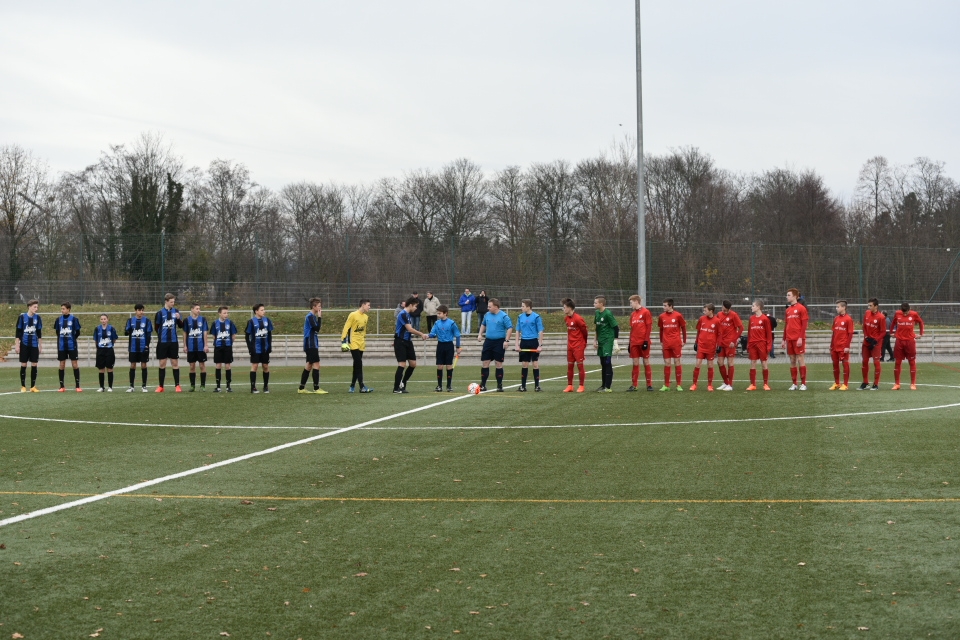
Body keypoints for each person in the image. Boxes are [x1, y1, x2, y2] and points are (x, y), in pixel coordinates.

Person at [477, 297, 513, 392]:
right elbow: (483, 324)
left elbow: (510, 328)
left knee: (498, 363)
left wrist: (507, 340)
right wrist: (480, 334)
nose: (488, 308)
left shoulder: (504, 316)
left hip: (499, 342)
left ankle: (499, 385)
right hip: (488, 341)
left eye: (490, 306)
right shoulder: (487, 315)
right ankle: (483, 385)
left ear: (496, 307)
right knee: (485, 362)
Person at [394, 297, 428, 393]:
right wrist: (421, 334)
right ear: (410, 305)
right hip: (401, 341)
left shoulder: (408, 315)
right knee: (402, 364)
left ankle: (403, 383)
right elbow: (410, 329)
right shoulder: (403, 314)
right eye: (415, 306)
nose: (416, 308)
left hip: (408, 341)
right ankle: (396, 388)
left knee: (413, 364)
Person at [341, 299, 373, 393]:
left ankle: (352, 386)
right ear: (363, 305)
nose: (369, 307)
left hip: (361, 343)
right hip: (353, 342)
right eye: (368, 305)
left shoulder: (366, 317)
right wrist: (343, 340)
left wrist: (364, 339)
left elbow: (363, 331)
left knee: (356, 365)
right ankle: (362, 386)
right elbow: (346, 327)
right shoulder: (353, 315)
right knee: (359, 363)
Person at [427, 305, 461, 392]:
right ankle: (439, 386)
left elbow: (457, 335)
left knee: (449, 365)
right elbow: (433, 333)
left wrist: (458, 347)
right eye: (437, 313)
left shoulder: (452, 323)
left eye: (440, 313)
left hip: (449, 345)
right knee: (440, 365)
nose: (438, 315)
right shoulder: (436, 323)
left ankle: (449, 386)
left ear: (445, 313)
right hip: (440, 345)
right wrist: (428, 336)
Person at [891, 302, 924, 390]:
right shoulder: (897, 313)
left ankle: (913, 384)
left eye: (906, 312)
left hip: (910, 341)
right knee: (897, 362)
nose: (905, 314)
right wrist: (891, 332)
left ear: (909, 310)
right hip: (899, 341)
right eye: (903, 312)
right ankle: (897, 384)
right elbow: (893, 322)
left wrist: (921, 334)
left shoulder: (914, 314)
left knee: (912, 362)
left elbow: (921, 322)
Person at [154, 293, 183, 393]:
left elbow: (181, 326)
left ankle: (177, 385)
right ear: (166, 301)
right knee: (162, 363)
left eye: (173, 302)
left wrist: (178, 319)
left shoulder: (176, 312)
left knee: (175, 363)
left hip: (173, 342)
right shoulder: (159, 313)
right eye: (171, 302)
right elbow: (156, 327)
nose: (173, 303)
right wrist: (161, 336)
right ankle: (161, 386)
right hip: (163, 342)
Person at [296, 297, 326, 395]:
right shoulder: (310, 316)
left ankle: (301, 388)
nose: (320, 308)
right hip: (310, 343)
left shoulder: (312, 316)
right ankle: (316, 388)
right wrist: (320, 317)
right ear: (314, 307)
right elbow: (317, 329)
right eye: (319, 306)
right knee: (316, 364)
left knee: (309, 365)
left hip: (311, 343)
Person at [515, 299, 545, 392]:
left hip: (533, 341)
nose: (521, 307)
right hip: (524, 342)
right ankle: (523, 386)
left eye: (523, 306)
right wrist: (517, 344)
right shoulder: (520, 317)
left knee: (535, 363)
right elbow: (517, 331)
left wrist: (540, 345)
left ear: (528, 307)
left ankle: (537, 386)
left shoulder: (536, 317)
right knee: (524, 364)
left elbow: (540, 331)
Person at [782, 288, 809, 390]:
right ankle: (794, 384)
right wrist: (784, 339)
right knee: (792, 360)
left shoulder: (802, 308)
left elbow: (804, 324)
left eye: (788, 295)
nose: (787, 297)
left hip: (798, 338)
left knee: (800, 359)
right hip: (789, 339)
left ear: (794, 296)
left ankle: (803, 384)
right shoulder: (788, 310)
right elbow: (786, 325)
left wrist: (800, 337)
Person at [658, 298, 687, 391]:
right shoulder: (661, 316)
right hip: (666, 343)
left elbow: (683, 328)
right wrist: (661, 341)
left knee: (677, 362)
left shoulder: (678, 315)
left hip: (676, 343)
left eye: (665, 305)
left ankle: (678, 385)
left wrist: (684, 340)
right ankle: (666, 385)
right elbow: (661, 330)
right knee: (667, 363)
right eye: (663, 305)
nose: (663, 307)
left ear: (670, 306)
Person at [690, 303, 720, 391]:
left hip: (711, 347)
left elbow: (719, 334)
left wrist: (718, 345)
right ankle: (694, 384)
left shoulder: (717, 321)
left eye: (705, 310)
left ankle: (710, 385)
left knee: (710, 365)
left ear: (711, 311)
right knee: (698, 364)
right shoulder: (701, 319)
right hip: (701, 345)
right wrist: (696, 342)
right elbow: (699, 331)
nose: (704, 312)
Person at [14, 299, 42, 392]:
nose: (36, 309)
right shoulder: (22, 317)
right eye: (34, 307)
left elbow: (39, 333)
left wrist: (40, 345)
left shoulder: (38, 318)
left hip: (34, 344)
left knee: (34, 364)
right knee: (24, 364)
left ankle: (33, 386)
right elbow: (18, 333)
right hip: (24, 344)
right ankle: (23, 386)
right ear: (29, 307)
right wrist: (17, 345)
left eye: (37, 307)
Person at [627, 294, 653, 391]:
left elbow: (649, 327)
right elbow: (632, 329)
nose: (630, 305)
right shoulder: (633, 314)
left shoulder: (646, 312)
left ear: (636, 302)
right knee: (635, 362)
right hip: (634, 342)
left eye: (631, 303)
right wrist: (629, 343)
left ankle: (649, 385)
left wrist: (646, 340)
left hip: (643, 341)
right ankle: (634, 385)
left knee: (646, 361)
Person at [54, 302, 82, 392]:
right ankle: (61, 386)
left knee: (75, 364)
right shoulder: (58, 320)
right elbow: (57, 332)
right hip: (62, 346)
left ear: (68, 309)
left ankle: (77, 386)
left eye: (63, 309)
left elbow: (78, 332)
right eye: (61, 308)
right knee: (62, 364)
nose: (62, 310)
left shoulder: (74, 319)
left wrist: (72, 339)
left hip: (72, 345)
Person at [245, 303, 274, 393]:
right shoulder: (251, 322)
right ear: (256, 311)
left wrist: (269, 346)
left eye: (264, 310)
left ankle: (265, 386)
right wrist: (250, 348)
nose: (264, 311)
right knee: (255, 366)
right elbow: (247, 336)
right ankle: (253, 387)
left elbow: (269, 334)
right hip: (255, 348)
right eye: (262, 310)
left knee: (265, 366)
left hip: (265, 348)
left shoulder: (267, 320)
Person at [745, 300, 773, 391]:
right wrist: (748, 344)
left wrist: (769, 345)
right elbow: (749, 332)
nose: (751, 307)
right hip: (752, 344)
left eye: (753, 306)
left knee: (764, 363)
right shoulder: (751, 318)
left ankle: (766, 384)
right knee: (753, 363)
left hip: (762, 344)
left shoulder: (765, 319)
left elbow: (769, 334)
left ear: (758, 307)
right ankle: (753, 384)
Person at [593, 296, 619, 392]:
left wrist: (615, 342)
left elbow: (616, 327)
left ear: (601, 304)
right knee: (603, 363)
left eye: (596, 303)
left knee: (607, 362)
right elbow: (597, 328)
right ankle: (603, 385)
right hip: (601, 341)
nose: (594, 304)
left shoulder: (608, 313)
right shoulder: (597, 313)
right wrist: (595, 340)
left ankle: (608, 387)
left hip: (608, 341)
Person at [716, 300, 744, 391]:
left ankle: (730, 385)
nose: (723, 310)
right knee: (720, 362)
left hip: (730, 343)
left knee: (730, 362)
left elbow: (741, 328)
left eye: (725, 309)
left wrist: (734, 340)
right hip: (721, 342)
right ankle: (726, 382)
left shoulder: (734, 315)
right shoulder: (719, 314)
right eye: (723, 308)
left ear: (728, 308)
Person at [858, 298, 885, 391]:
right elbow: (864, 327)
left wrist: (875, 340)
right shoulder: (867, 313)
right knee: (864, 361)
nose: (869, 307)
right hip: (866, 342)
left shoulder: (881, 317)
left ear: (876, 306)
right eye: (868, 305)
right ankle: (865, 382)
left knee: (876, 362)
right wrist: (866, 337)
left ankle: (876, 384)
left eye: (871, 305)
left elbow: (883, 332)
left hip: (875, 344)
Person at [125, 304, 153, 392]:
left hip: (143, 347)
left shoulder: (147, 321)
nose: (141, 312)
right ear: (135, 311)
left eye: (142, 310)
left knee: (144, 365)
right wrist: (127, 331)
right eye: (139, 310)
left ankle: (144, 386)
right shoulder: (130, 320)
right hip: (133, 347)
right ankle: (131, 386)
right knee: (133, 365)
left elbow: (148, 335)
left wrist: (147, 345)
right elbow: (126, 332)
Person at [562, 298, 588, 393]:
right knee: (570, 365)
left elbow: (584, 331)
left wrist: (584, 342)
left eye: (564, 307)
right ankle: (570, 386)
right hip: (570, 345)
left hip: (578, 345)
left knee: (580, 365)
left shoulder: (578, 318)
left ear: (569, 308)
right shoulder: (566, 318)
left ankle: (581, 386)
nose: (563, 309)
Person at [183, 303, 209, 392]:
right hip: (191, 347)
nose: (199, 310)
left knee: (202, 365)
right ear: (192, 309)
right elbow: (185, 333)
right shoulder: (187, 320)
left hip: (201, 347)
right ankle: (192, 386)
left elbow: (205, 333)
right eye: (197, 309)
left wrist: (206, 345)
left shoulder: (203, 319)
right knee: (192, 366)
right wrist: (185, 345)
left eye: (199, 309)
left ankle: (203, 385)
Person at [829, 300, 855, 390]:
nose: (836, 308)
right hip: (835, 346)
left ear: (844, 307)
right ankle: (837, 383)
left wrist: (847, 346)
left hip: (843, 346)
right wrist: (831, 345)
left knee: (845, 364)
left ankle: (845, 384)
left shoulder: (848, 319)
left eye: (838, 307)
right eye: (836, 307)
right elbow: (834, 333)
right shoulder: (836, 318)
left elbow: (850, 334)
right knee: (835, 365)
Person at [211, 306, 237, 393]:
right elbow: (214, 335)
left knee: (227, 365)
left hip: (227, 347)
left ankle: (228, 386)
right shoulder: (215, 323)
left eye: (227, 313)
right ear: (219, 313)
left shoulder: (230, 323)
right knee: (218, 365)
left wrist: (229, 343)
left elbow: (233, 335)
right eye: (224, 313)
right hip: (218, 347)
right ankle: (218, 386)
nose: (226, 314)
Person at [93, 313, 119, 392]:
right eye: (102, 319)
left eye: (105, 319)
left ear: (107, 320)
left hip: (109, 350)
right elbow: (96, 340)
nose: (103, 320)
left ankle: (110, 387)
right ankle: (101, 387)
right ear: (100, 320)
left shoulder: (111, 328)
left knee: (110, 368)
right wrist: (98, 348)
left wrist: (110, 345)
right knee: (101, 369)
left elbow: (114, 339)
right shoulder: (97, 329)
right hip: (100, 350)